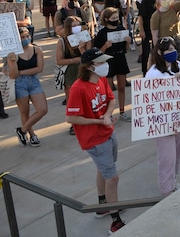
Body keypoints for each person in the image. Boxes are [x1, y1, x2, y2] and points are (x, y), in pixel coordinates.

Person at [65, 48, 126, 233]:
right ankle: (115, 222)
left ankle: (103, 205)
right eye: (101, 62)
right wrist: (97, 120)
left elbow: (111, 100)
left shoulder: (100, 80)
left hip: (107, 133)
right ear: (90, 66)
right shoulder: (78, 88)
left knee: (104, 170)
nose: (105, 65)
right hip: (94, 139)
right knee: (112, 177)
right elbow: (71, 118)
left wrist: (107, 115)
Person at [146, 37, 180, 195]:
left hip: (178, 117)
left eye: (173, 49)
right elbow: (149, 98)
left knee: (177, 151)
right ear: (160, 52)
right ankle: (166, 190)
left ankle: (173, 181)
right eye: (168, 50)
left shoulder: (179, 66)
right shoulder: (153, 73)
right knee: (166, 157)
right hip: (162, 121)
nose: (172, 52)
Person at [7, 26, 48, 147]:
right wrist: (13, 63)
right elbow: (13, 75)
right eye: (22, 37)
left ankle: (22, 130)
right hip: (19, 84)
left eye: (27, 36)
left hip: (34, 82)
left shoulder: (37, 50)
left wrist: (22, 72)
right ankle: (32, 135)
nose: (26, 39)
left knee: (42, 109)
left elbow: (39, 69)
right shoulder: (13, 53)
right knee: (25, 111)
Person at [93, 7, 132, 120]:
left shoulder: (121, 29)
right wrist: (105, 46)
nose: (115, 19)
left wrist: (128, 42)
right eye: (113, 18)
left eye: (116, 17)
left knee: (122, 87)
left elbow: (126, 49)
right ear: (106, 19)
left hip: (120, 58)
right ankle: (107, 113)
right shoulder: (102, 33)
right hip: (108, 60)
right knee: (108, 89)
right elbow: (97, 52)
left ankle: (122, 111)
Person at [56, 15, 91, 134]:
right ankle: (73, 124)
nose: (77, 27)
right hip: (70, 71)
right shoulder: (62, 41)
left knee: (86, 96)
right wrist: (75, 60)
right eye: (74, 26)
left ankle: (86, 120)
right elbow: (59, 60)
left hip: (84, 69)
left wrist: (82, 50)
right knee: (71, 98)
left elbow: (89, 56)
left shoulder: (86, 37)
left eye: (78, 25)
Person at [150, 0, 180, 73]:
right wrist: (158, 50)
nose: (167, 1)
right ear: (159, 1)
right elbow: (155, 35)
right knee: (170, 66)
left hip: (178, 41)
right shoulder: (156, 16)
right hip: (166, 44)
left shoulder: (173, 8)